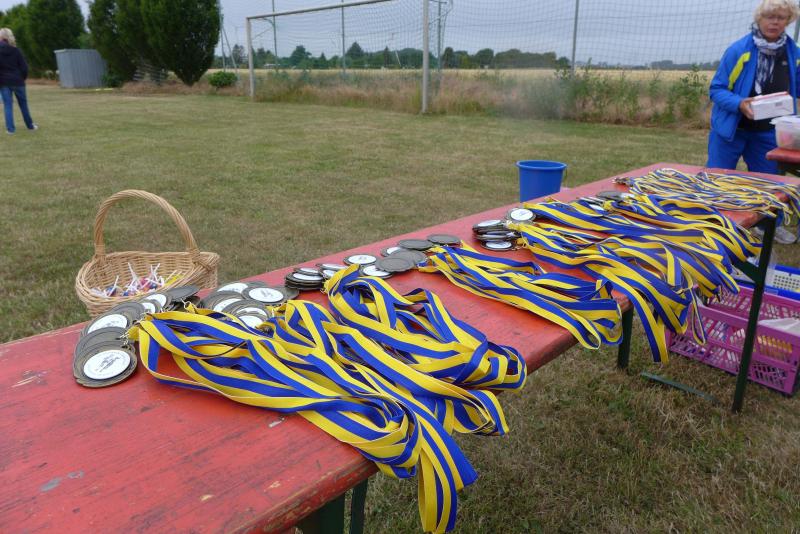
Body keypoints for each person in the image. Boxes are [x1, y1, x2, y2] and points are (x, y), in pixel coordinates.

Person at [707, 0, 800, 244]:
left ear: (788, 21)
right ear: (759, 18)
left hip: (769, 132)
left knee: (770, 183)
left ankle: (769, 226)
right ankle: (712, 224)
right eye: (769, 16)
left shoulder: (794, 53)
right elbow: (716, 89)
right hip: (732, 129)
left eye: (780, 17)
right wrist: (740, 103)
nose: (774, 22)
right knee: (717, 179)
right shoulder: (739, 50)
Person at [0, 27, 37, 135]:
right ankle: (30, 126)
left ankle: (10, 129)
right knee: (23, 104)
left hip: (4, 82)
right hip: (18, 81)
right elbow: (24, 67)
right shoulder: (16, 50)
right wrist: (22, 78)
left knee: (7, 105)